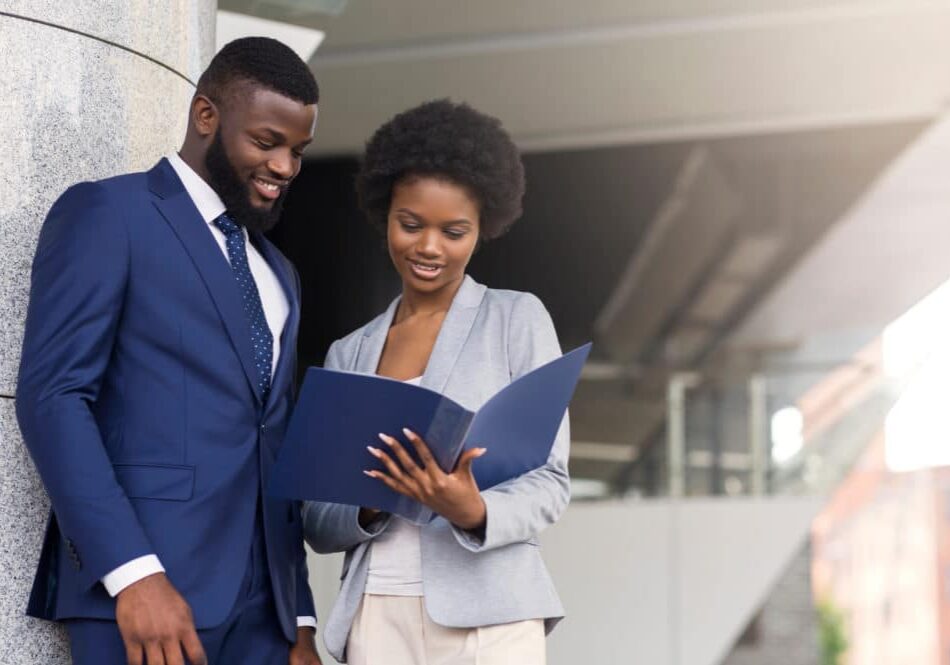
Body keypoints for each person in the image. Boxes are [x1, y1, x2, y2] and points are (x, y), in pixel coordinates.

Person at [16, 37, 323, 665]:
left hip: (268, 619)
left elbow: (274, 442)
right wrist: (132, 573)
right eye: (267, 142)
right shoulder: (109, 213)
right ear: (206, 116)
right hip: (147, 600)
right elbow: (53, 398)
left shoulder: (279, 271)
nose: (286, 166)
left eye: (298, 150)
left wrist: (300, 614)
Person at [303, 99, 569, 665]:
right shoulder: (348, 352)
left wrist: (467, 507)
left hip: (491, 616)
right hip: (375, 615)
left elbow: (551, 481)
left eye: (454, 231)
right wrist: (374, 504)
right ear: (385, 215)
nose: (428, 247)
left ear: (483, 229)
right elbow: (316, 520)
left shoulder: (517, 320)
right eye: (411, 224)